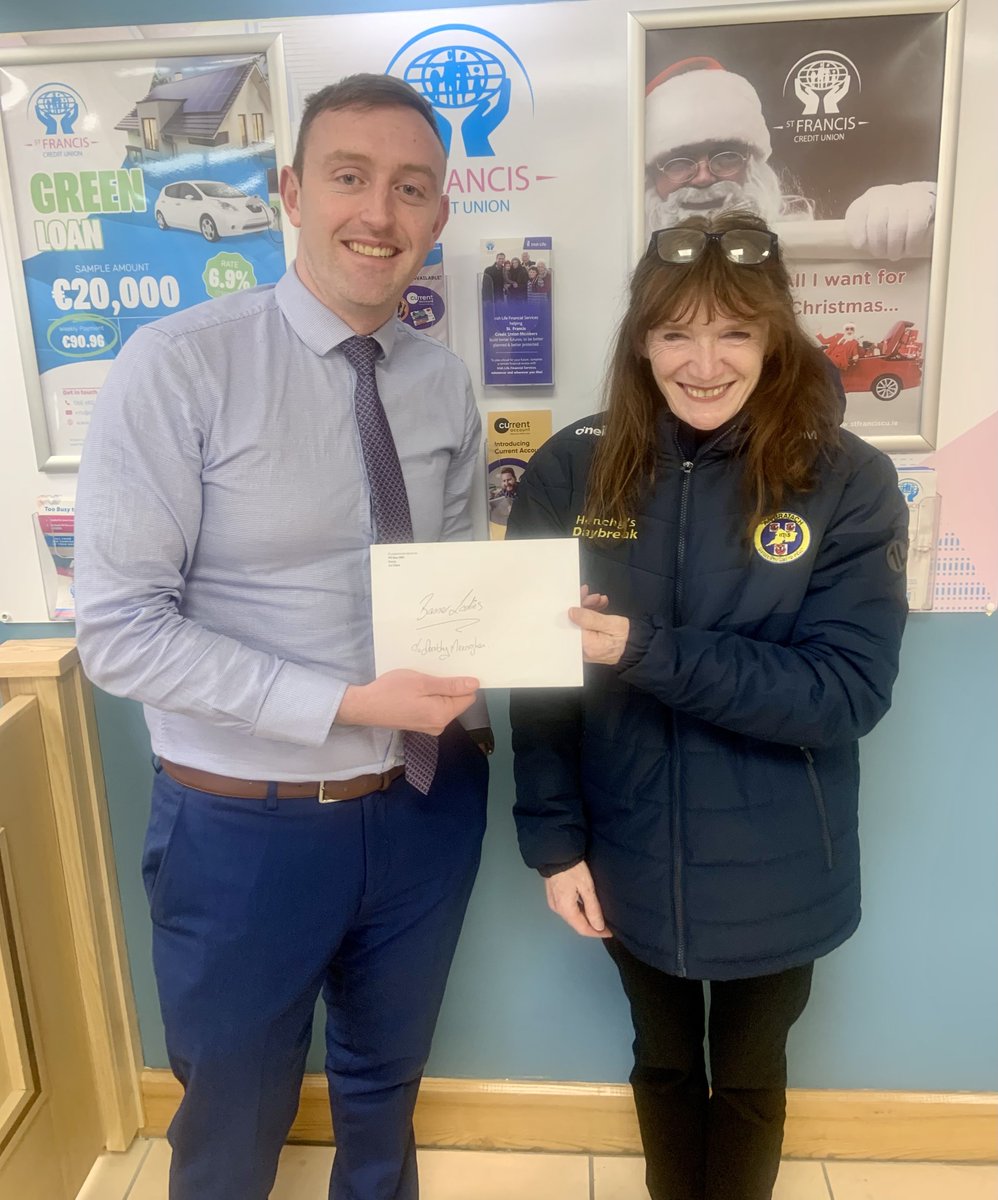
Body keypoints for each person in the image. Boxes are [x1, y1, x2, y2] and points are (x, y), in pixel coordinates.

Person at [74, 73, 492, 1200]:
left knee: (383, 1094)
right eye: (350, 178)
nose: (379, 214)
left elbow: (452, 588)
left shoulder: (440, 380)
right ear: (290, 191)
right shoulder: (180, 364)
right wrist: (347, 705)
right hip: (243, 828)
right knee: (230, 1124)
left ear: (439, 214)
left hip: (422, 807)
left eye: (411, 189)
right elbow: (118, 632)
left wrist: (529, 635)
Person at [507, 211, 908, 1200]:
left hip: (779, 862)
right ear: (638, 341)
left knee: (746, 1075)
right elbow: (538, 679)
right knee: (661, 1060)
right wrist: (554, 844)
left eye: (732, 331)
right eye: (674, 332)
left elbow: (844, 691)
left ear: (773, 338)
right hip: (626, 851)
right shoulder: (574, 466)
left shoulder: (845, 480)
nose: (701, 361)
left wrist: (639, 649)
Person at [644, 57, 936, 261]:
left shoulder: (802, 235)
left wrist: (917, 206)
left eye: (726, 157)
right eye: (679, 163)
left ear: (753, 167)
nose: (704, 177)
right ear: (652, 177)